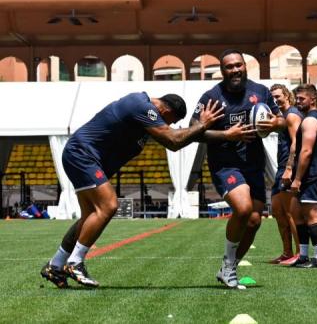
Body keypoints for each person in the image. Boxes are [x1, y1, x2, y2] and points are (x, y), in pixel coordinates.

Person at [40, 92, 223, 288]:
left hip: (84, 157)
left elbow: (181, 138)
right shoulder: (141, 105)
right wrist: (202, 124)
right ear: (165, 110)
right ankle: (75, 262)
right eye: (171, 121)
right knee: (109, 205)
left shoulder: (145, 120)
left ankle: (55, 265)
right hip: (83, 154)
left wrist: (225, 135)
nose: (168, 125)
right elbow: (174, 141)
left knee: (89, 217)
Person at [192, 49, 285, 288]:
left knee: (254, 221)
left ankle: (228, 268)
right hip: (225, 165)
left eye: (238, 65)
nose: (235, 70)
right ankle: (227, 262)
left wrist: (276, 123)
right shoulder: (211, 97)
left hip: (254, 165)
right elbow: (193, 131)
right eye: (229, 67)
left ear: (245, 66)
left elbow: (282, 120)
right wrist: (226, 134)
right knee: (243, 209)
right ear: (222, 71)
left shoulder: (260, 92)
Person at [289, 84, 317, 268]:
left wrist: (297, 178)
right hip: (308, 174)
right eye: (296, 98)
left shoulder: (310, 121)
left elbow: (306, 151)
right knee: (296, 213)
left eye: (302, 99)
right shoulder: (311, 119)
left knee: (311, 215)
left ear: (313, 99)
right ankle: (303, 256)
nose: (298, 101)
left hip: (312, 174)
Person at [268, 84, 303, 266]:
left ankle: (300, 253)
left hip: (289, 167)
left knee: (290, 213)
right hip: (281, 167)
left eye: (278, 96)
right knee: (277, 210)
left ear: (286, 95)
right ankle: (286, 252)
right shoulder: (283, 116)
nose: (275, 100)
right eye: (272, 97)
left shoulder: (292, 115)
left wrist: (289, 167)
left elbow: (297, 142)